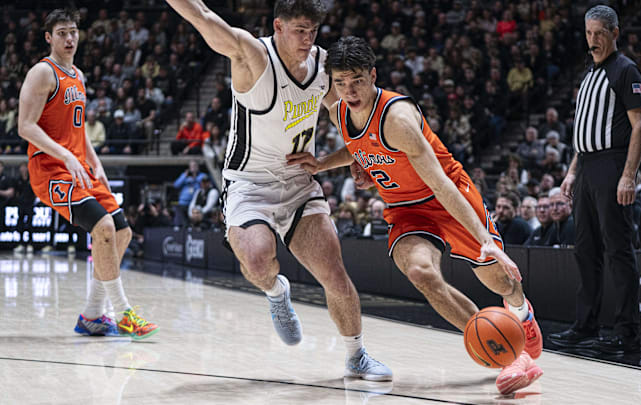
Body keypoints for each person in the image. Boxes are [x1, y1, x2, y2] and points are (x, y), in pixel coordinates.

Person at [287, 36, 543, 395]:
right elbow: (359, 146)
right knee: (421, 272)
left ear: (373, 75)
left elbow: (439, 183)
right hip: (405, 210)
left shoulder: (398, 119)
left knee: (501, 282)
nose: (349, 90)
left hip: (447, 194)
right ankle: (509, 355)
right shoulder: (339, 108)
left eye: (357, 80)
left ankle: (521, 311)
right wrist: (326, 163)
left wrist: (486, 240)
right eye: (341, 82)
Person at [164, 0, 391, 381]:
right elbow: (201, 16)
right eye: (300, 29)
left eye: (313, 31)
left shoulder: (323, 66)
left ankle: (357, 355)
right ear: (278, 26)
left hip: (300, 183)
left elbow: (352, 123)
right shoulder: (252, 54)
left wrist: (359, 158)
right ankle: (275, 292)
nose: (307, 39)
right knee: (256, 261)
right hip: (249, 183)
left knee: (334, 275)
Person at [17, 9, 157, 340]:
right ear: (49, 37)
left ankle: (92, 315)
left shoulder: (78, 75)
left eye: (74, 32)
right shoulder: (42, 72)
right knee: (104, 227)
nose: (69, 38)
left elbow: (78, 132)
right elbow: (25, 125)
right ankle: (123, 314)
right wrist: (65, 155)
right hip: (51, 170)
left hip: (80, 167)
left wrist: (99, 167)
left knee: (121, 233)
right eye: (62, 33)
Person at [551, 5, 641, 354]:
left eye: (600, 34)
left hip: (612, 165)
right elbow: (584, 131)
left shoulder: (626, 70)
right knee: (585, 250)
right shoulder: (589, 75)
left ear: (615, 34)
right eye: (589, 33)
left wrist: (628, 175)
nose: (593, 40)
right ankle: (586, 325)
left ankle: (627, 332)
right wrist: (572, 171)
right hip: (587, 167)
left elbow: (640, 125)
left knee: (618, 250)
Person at [173, 159, 207, 227]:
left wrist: (195, 178)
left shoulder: (202, 176)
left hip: (194, 204)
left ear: (198, 167)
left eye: (194, 166)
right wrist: (184, 176)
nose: (193, 168)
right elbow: (176, 185)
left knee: (193, 223)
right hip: (183, 203)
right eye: (191, 166)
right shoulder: (185, 175)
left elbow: (204, 186)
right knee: (183, 223)